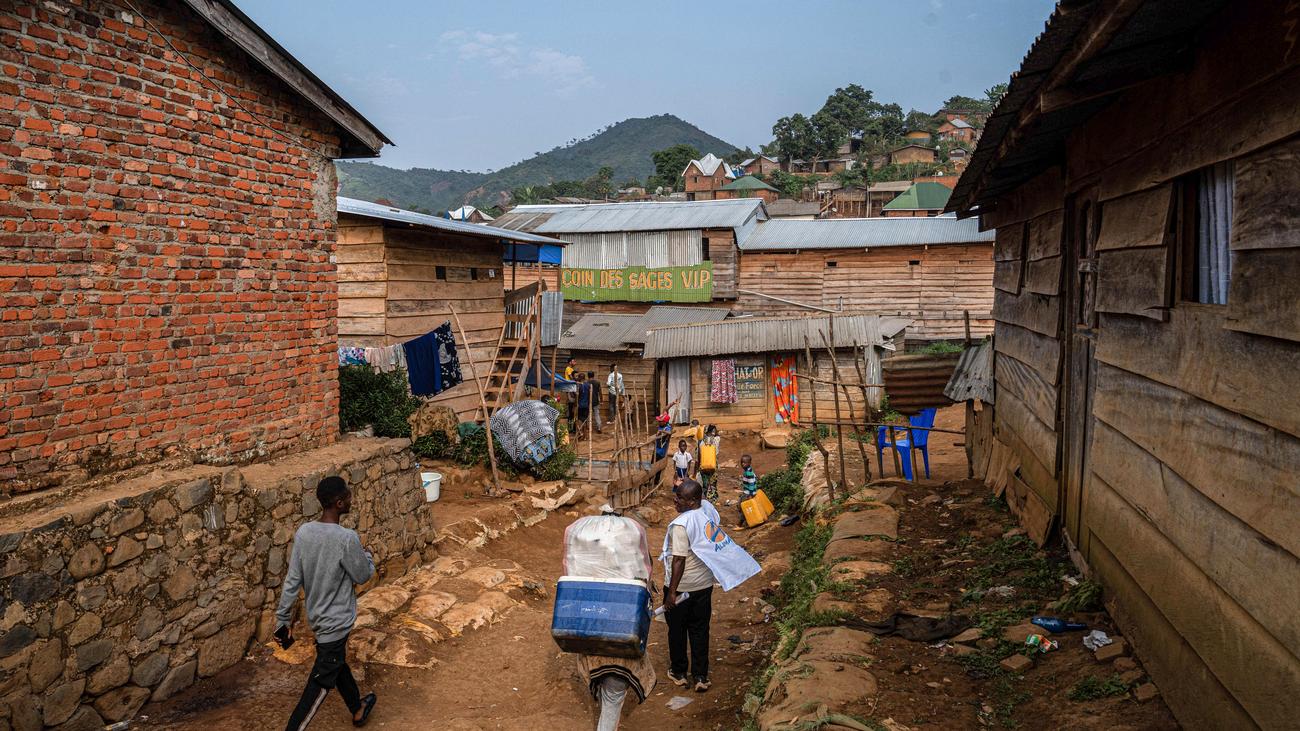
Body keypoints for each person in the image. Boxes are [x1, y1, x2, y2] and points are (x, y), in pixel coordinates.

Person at [276, 477, 378, 730]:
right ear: (339, 503)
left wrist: (282, 619)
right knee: (321, 681)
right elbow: (362, 575)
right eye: (349, 497)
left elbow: (293, 580)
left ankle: (357, 708)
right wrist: (368, 557)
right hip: (336, 621)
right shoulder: (346, 538)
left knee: (335, 662)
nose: (352, 500)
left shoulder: (304, 533)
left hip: (318, 618)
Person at [660, 481, 760, 693]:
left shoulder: (681, 525)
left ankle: (678, 672)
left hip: (682, 588)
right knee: (699, 630)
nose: (675, 500)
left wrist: (671, 593)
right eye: (676, 495)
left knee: (677, 631)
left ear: (694, 501)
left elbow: (679, 560)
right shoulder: (706, 512)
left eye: (680, 497)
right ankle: (700, 676)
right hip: (703, 586)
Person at [697, 426, 720, 502]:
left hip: (703, 465)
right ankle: (713, 498)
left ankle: (704, 497)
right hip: (713, 464)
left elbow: (699, 455)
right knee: (713, 482)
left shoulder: (701, 442)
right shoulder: (716, 440)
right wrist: (715, 430)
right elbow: (718, 435)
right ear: (713, 431)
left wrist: (698, 466)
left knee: (705, 482)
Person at [737, 454, 759, 527]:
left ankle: (741, 522)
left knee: (744, 507)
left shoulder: (749, 473)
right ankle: (746, 520)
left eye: (745, 462)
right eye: (742, 462)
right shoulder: (747, 470)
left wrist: (751, 494)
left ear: (749, 463)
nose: (743, 464)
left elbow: (752, 483)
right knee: (740, 505)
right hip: (746, 492)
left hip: (748, 493)